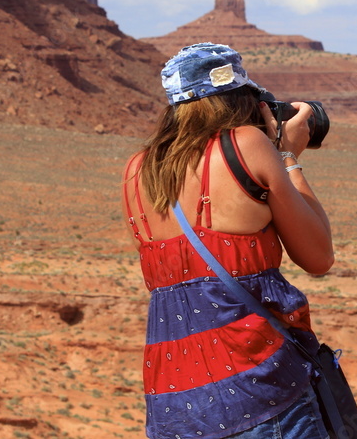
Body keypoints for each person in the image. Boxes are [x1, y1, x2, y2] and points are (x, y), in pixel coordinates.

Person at [121, 42, 335, 439]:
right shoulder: (246, 145)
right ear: (240, 99)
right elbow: (319, 256)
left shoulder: (137, 170)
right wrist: (288, 156)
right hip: (262, 390)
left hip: (175, 403)